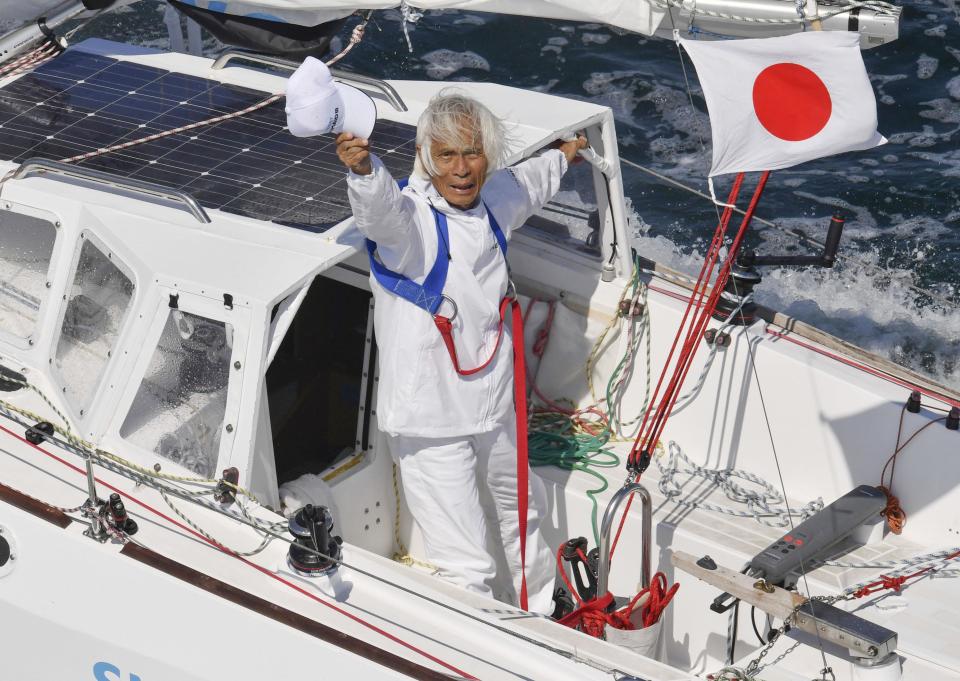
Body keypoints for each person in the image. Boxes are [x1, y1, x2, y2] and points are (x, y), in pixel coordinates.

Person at [337, 90, 587, 614]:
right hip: (431, 420)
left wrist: (566, 152)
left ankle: (544, 610)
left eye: (472, 153)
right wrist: (365, 172)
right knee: (466, 562)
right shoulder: (410, 225)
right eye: (446, 155)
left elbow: (530, 184)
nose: (462, 169)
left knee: (524, 515)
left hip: (494, 400)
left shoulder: (495, 201)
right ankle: (490, 648)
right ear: (426, 156)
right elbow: (381, 215)